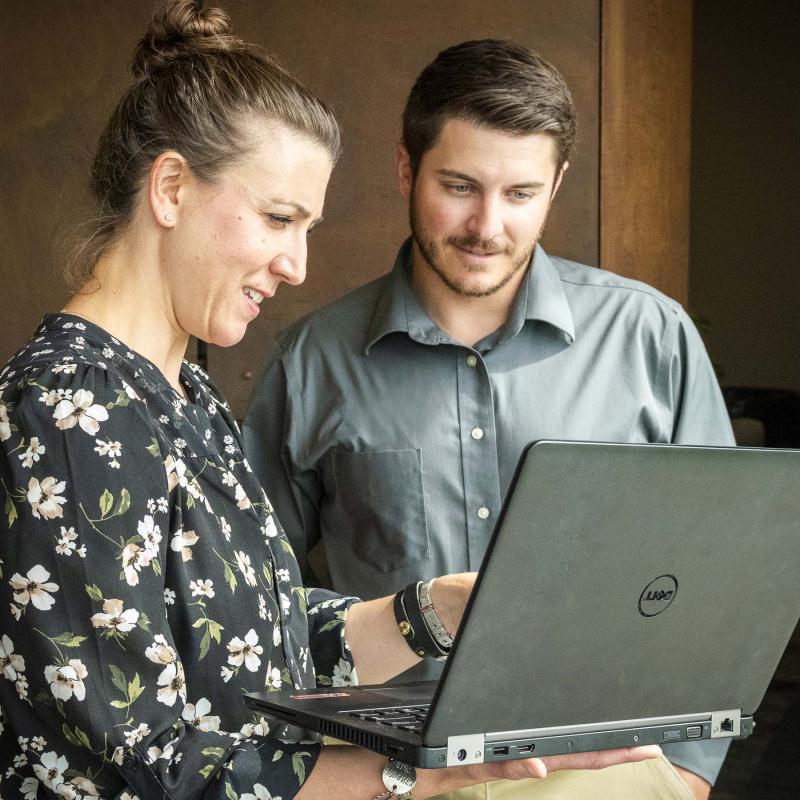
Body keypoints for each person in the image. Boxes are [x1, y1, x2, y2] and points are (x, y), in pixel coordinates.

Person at [0, 5, 661, 799]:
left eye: (307, 226)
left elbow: (258, 648)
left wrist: (436, 610)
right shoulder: (69, 405)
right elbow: (145, 760)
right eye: (280, 218)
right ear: (171, 187)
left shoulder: (184, 391)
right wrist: (427, 771)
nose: (298, 265)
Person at [243, 40, 735, 800]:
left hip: (602, 774)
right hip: (389, 777)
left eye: (521, 194)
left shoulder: (651, 337)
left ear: (557, 185)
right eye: (460, 186)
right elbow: (252, 600)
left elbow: (722, 571)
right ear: (407, 170)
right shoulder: (310, 362)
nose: (487, 225)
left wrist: (686, 774)